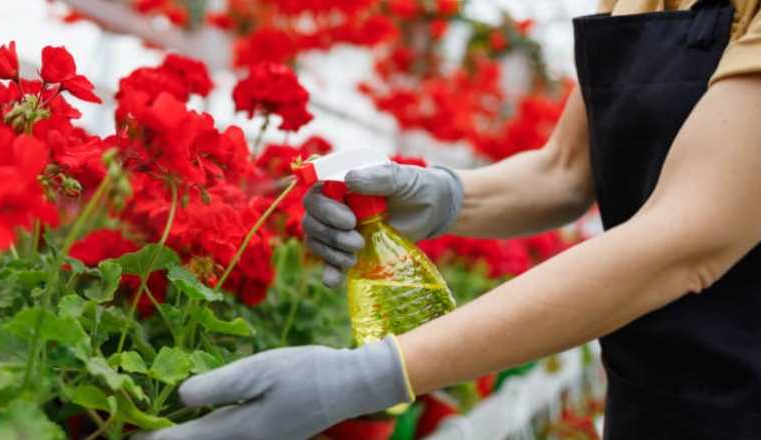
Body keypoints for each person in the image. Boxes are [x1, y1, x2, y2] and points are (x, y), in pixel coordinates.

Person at [135, 0, 761, 438]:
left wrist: (362, 377)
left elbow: (683, 240)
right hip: (648, 398)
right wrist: (438, 195)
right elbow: (565, 171)